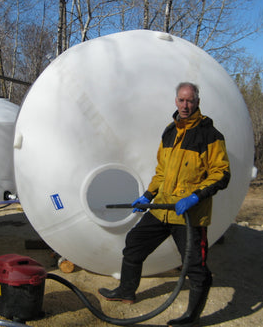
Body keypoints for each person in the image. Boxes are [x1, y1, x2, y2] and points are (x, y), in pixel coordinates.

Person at [98, 82, 231, 327]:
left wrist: (195, 197)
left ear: (198, 102)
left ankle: (191, 318)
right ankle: (126, 292)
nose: (185, 105)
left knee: (196, 267)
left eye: (190, 100)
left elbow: (221, 174)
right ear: (175, 101)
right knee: (134, 244)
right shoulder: (169, 131)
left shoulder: (210, 135)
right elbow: (161, 171)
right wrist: (148, 196)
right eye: (181, 100)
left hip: (190, 215)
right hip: (164, 209)